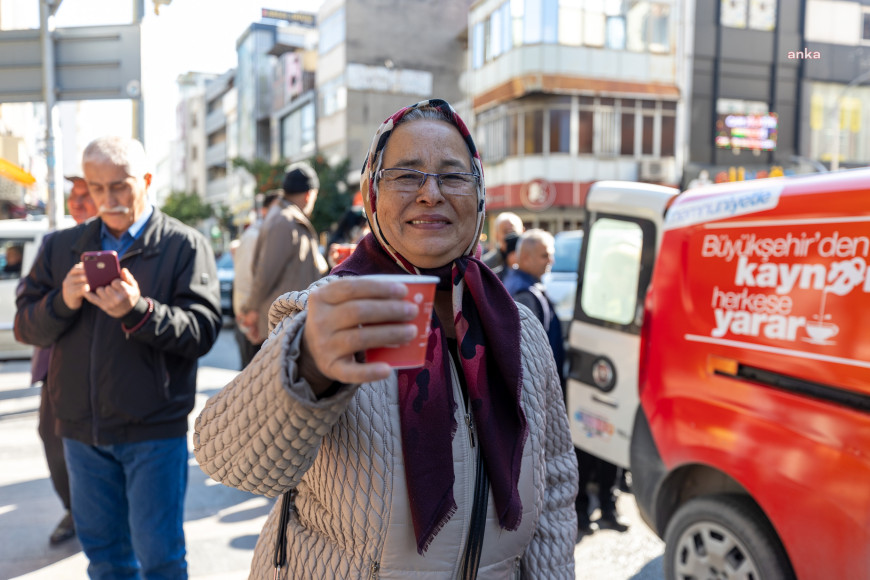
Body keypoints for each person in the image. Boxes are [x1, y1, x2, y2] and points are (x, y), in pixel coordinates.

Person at [194, 99, 578, 579]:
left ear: (479, 194)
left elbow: (555, 483)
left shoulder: (519, 331)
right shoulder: (330, 311)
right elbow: (233, 463)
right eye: (406, 174)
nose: (430, 193)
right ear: (373, 193)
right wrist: (309, 364)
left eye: (453, 176)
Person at [14, 136, 222, 579]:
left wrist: (138, 311)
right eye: (96, 187)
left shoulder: (185, 245)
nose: (107, 200)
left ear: (146, 181)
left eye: (120, 186)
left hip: (153, 433)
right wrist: (61, 301)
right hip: (80, 433)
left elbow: (202, 332)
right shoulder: (59, 247)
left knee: (161, 559)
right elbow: (25, 326)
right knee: (105, 561)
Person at [27, 175, 99, 546]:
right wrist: (62, 297)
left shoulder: (127, 247)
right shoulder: (55, 244)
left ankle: (97, 515)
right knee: (51, 437)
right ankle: (75, 509)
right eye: (75, 195)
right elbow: (27, 308)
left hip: (105, 372)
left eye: (88, 194)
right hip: (56, 363)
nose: (78, 202)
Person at [237, 163, 328, 345]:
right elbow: (265, 273)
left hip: (290, 325)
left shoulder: (284, 216)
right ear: (310, 194)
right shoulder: (284, 220)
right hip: (284, 327)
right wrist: (251, 310)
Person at [503, 229, 564, 381]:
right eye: (545, 256)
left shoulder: (521, 283)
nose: (551, 260)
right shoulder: (524, 294)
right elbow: (528, 355)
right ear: (525, 258)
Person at [232, 190, 281, 368]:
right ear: (265, 211)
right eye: (278, 207)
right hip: (255, 328)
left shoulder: (270, 234)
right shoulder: (255, 236)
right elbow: (245, 281)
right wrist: (248, 323)